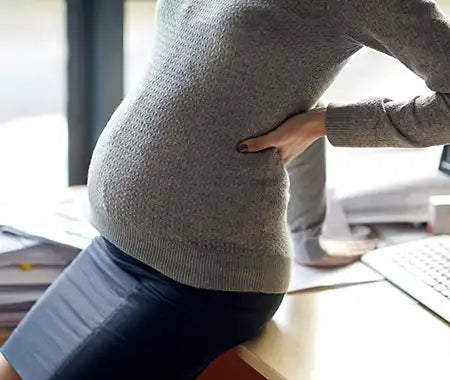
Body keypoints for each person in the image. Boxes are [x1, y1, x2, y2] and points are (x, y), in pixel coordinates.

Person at [1, 0, 449, 379]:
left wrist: (325, 124)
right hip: (115, 248)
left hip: (200, 278)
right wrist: (307, 233)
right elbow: (270, 92)